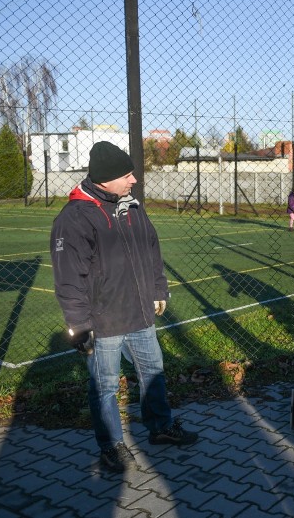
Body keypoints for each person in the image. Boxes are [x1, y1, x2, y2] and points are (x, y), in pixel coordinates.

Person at [51, 141, 198, 473]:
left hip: (140, 314)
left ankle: (160, 428)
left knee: (154, 374)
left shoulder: (132, 206)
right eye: (128, 174)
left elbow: (151, 249)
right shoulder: (74, 217)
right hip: (103, 323)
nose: (134, 180)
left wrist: (158, 289)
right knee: (104, 387)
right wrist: (79, 325)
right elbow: (68, 278)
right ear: (106, 178)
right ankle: (111, 446)